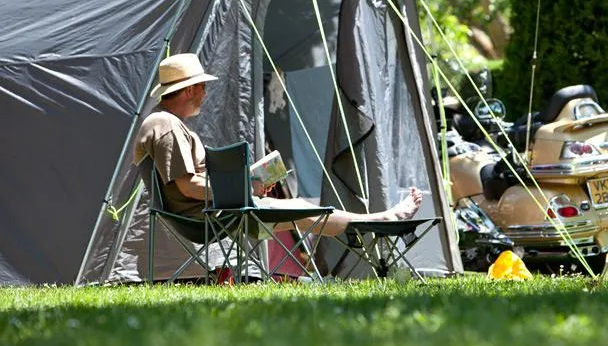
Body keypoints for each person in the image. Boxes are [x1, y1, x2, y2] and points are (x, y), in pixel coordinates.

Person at [134, 53, 422, 236]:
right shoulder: (165, 125)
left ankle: (374, 222)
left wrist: (249, 181)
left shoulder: (165, 123)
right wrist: (243, 190)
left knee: (300, 210)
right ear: (187, 90)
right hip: (212, 215)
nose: (205, 93)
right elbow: (187, 187)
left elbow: (191, 184)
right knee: (301, 209)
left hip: (216, 210)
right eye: (201, 87)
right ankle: (378, 222)